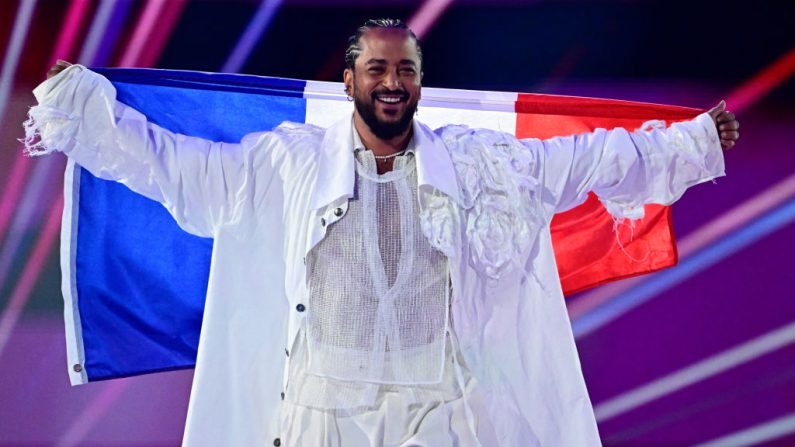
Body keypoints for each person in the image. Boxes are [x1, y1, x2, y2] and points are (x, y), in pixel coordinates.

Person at [33, 18, 739, 447]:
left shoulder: (477, 163)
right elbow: (170, 165)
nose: (392, 81)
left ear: (419, 83)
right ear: (349, 81)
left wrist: (692, 142)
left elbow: (586, 158)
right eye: (376, 68)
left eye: (405, 69)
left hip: (436, 415)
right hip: (323, 415)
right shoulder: (283, 166)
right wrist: (82, 109)